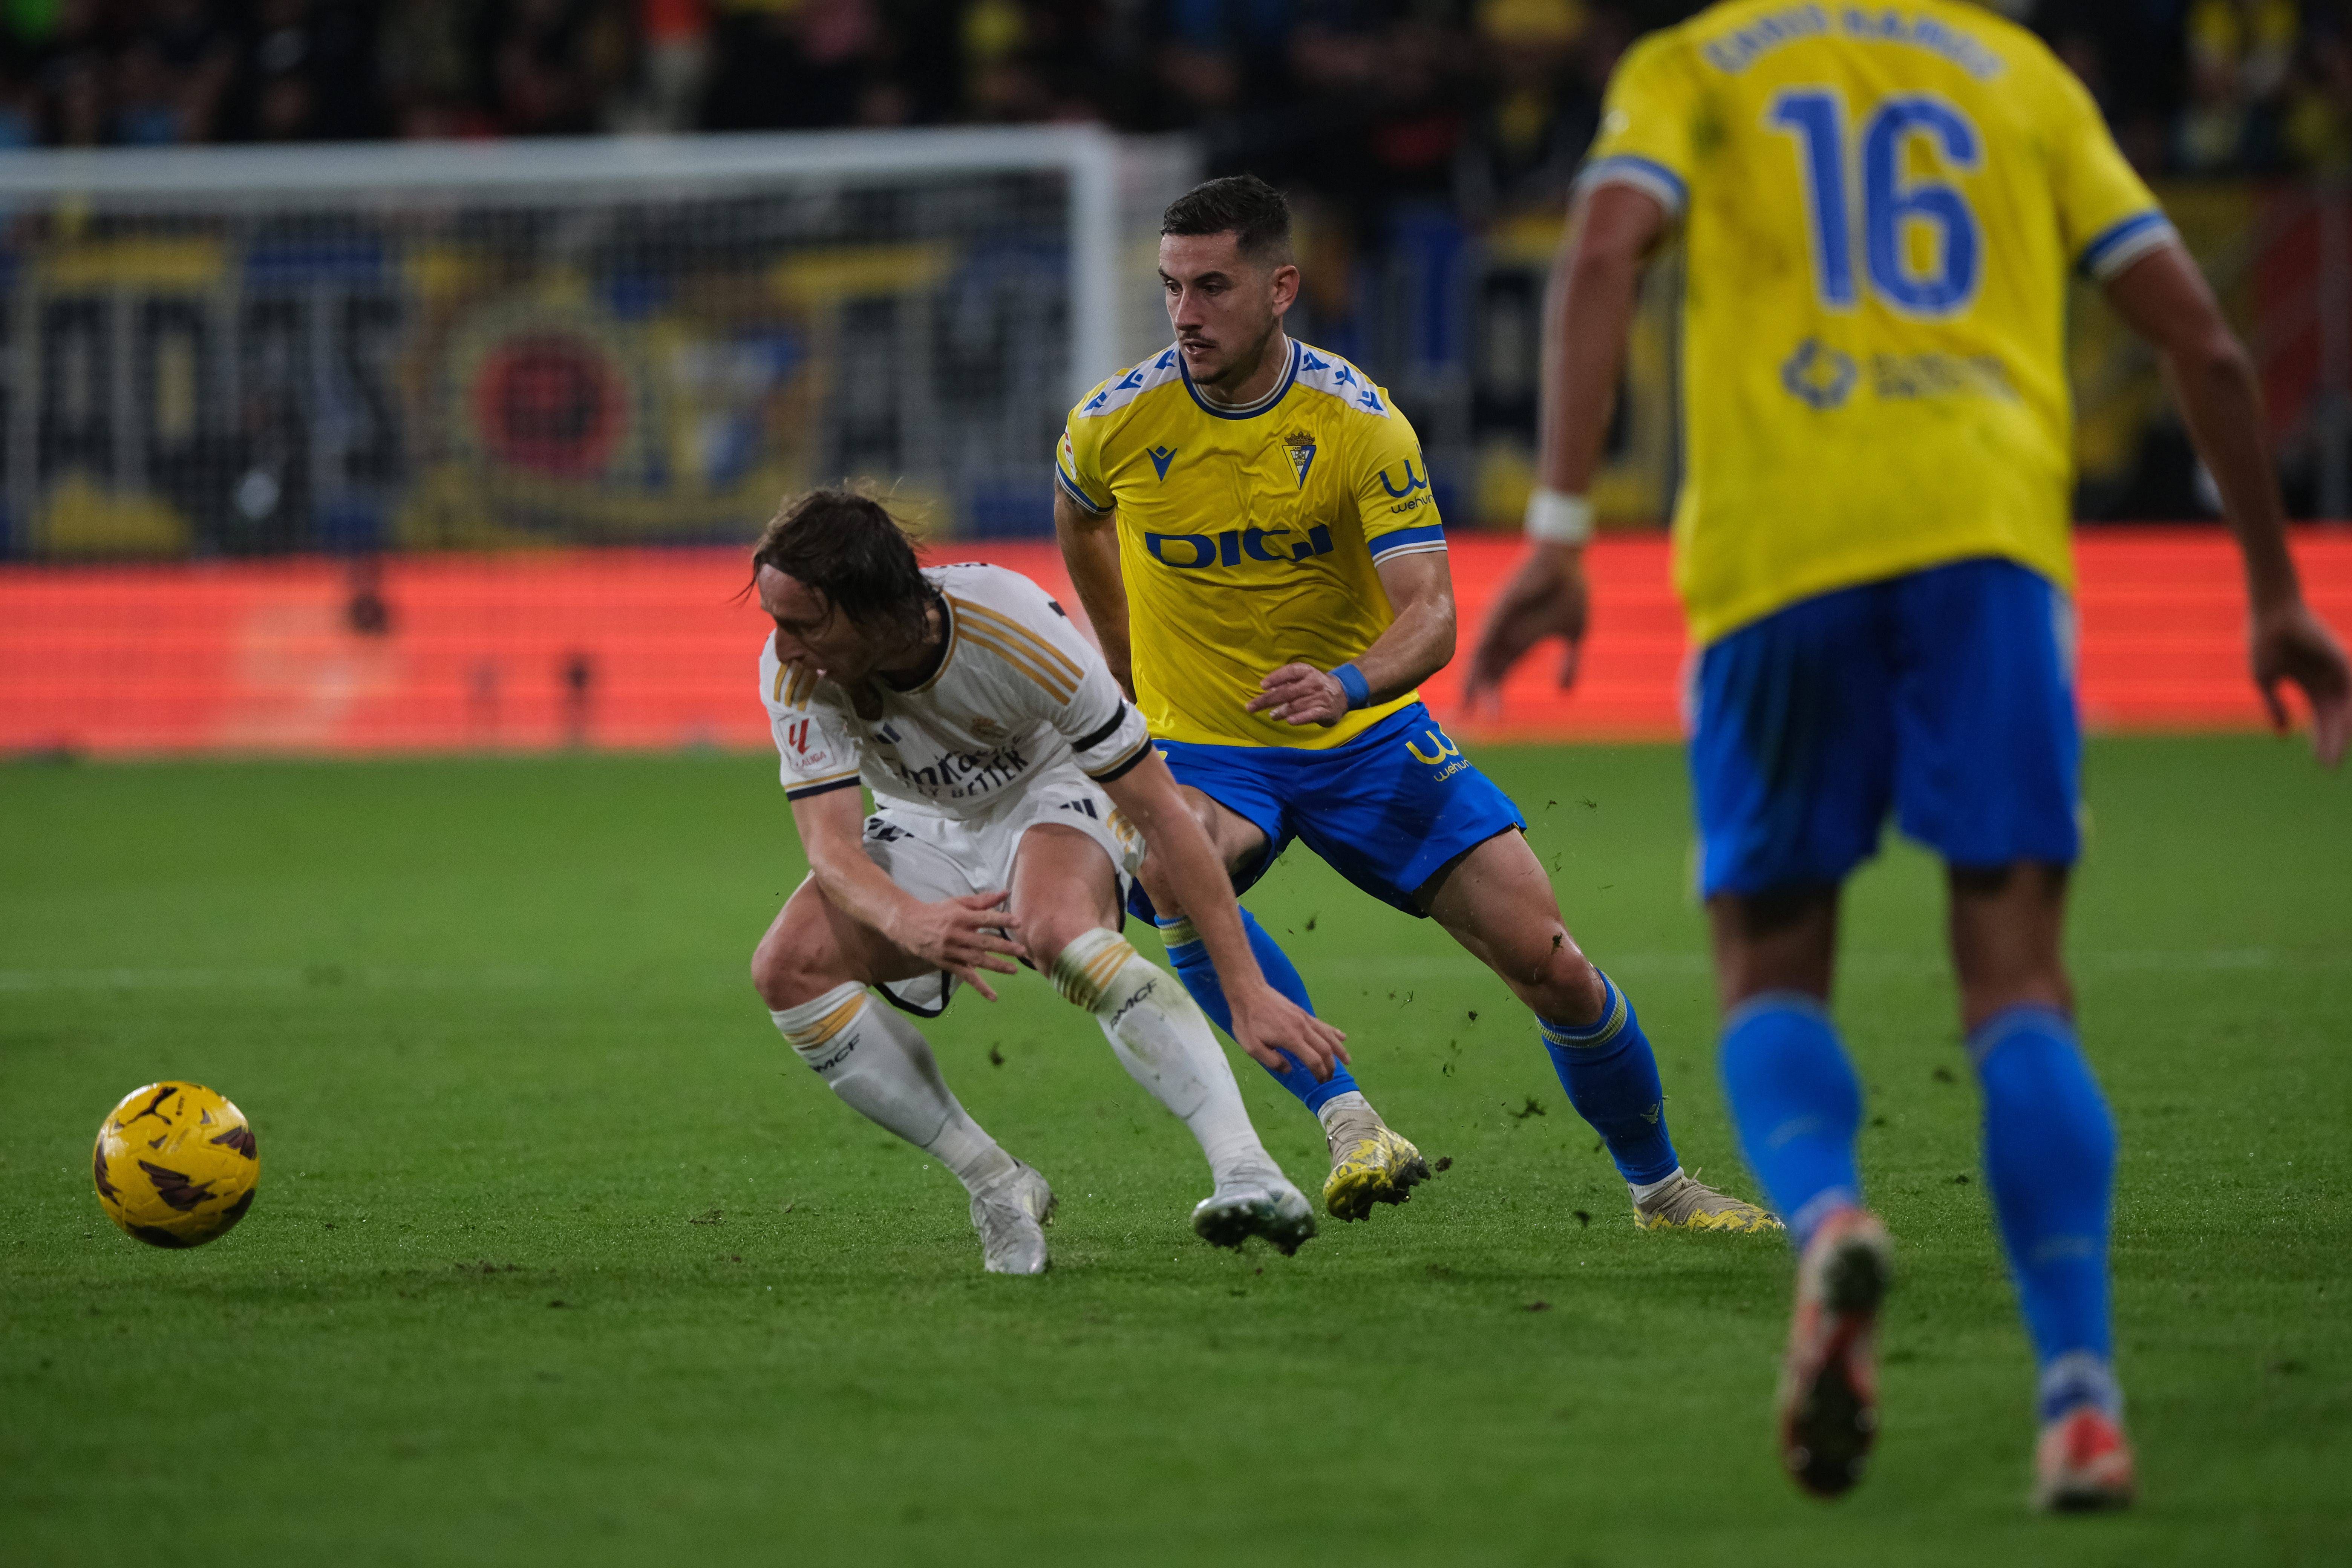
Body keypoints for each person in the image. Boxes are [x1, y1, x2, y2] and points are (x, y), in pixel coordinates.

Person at [1464, 0, 2352, 1511]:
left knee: (1770, 967)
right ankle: (2081, 1399)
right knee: (2018, 986)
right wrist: (2274, 591)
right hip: (1987, 552)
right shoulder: (2020, 74)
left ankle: (1830, 1222)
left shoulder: (1700, 64)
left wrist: (1557, 529)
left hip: (1778, 562)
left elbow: (1603, 252)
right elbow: (2203, 338)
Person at [1053, 174, 1776, 1234]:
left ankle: (1661, 1190)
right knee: (1169, 862)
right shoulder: (1114, 422)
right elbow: (1079, 515)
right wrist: (1125, 668)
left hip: (1368, 740)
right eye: (1171, 287)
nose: (1185, 314)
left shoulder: (1358, 423)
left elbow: (1432, 615)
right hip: (1209, 747)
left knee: (1551, 963)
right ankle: (1350, 1122)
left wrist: (1346, 684)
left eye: (1212, 287)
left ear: (1282, 287)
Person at [748, 488, 1344, 1274]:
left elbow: (1165, 814)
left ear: (873, 605)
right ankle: (997, 1183)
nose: (783, 646)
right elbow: (831, 850)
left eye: (804, 624)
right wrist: (909, 920)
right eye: (776, 621)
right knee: (787, 968)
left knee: (1057, 931)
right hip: (925, 818)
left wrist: (1245, 988)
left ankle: (1247, 1169)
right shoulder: (799, 675)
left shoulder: (1010, 627)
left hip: (1054, 785)